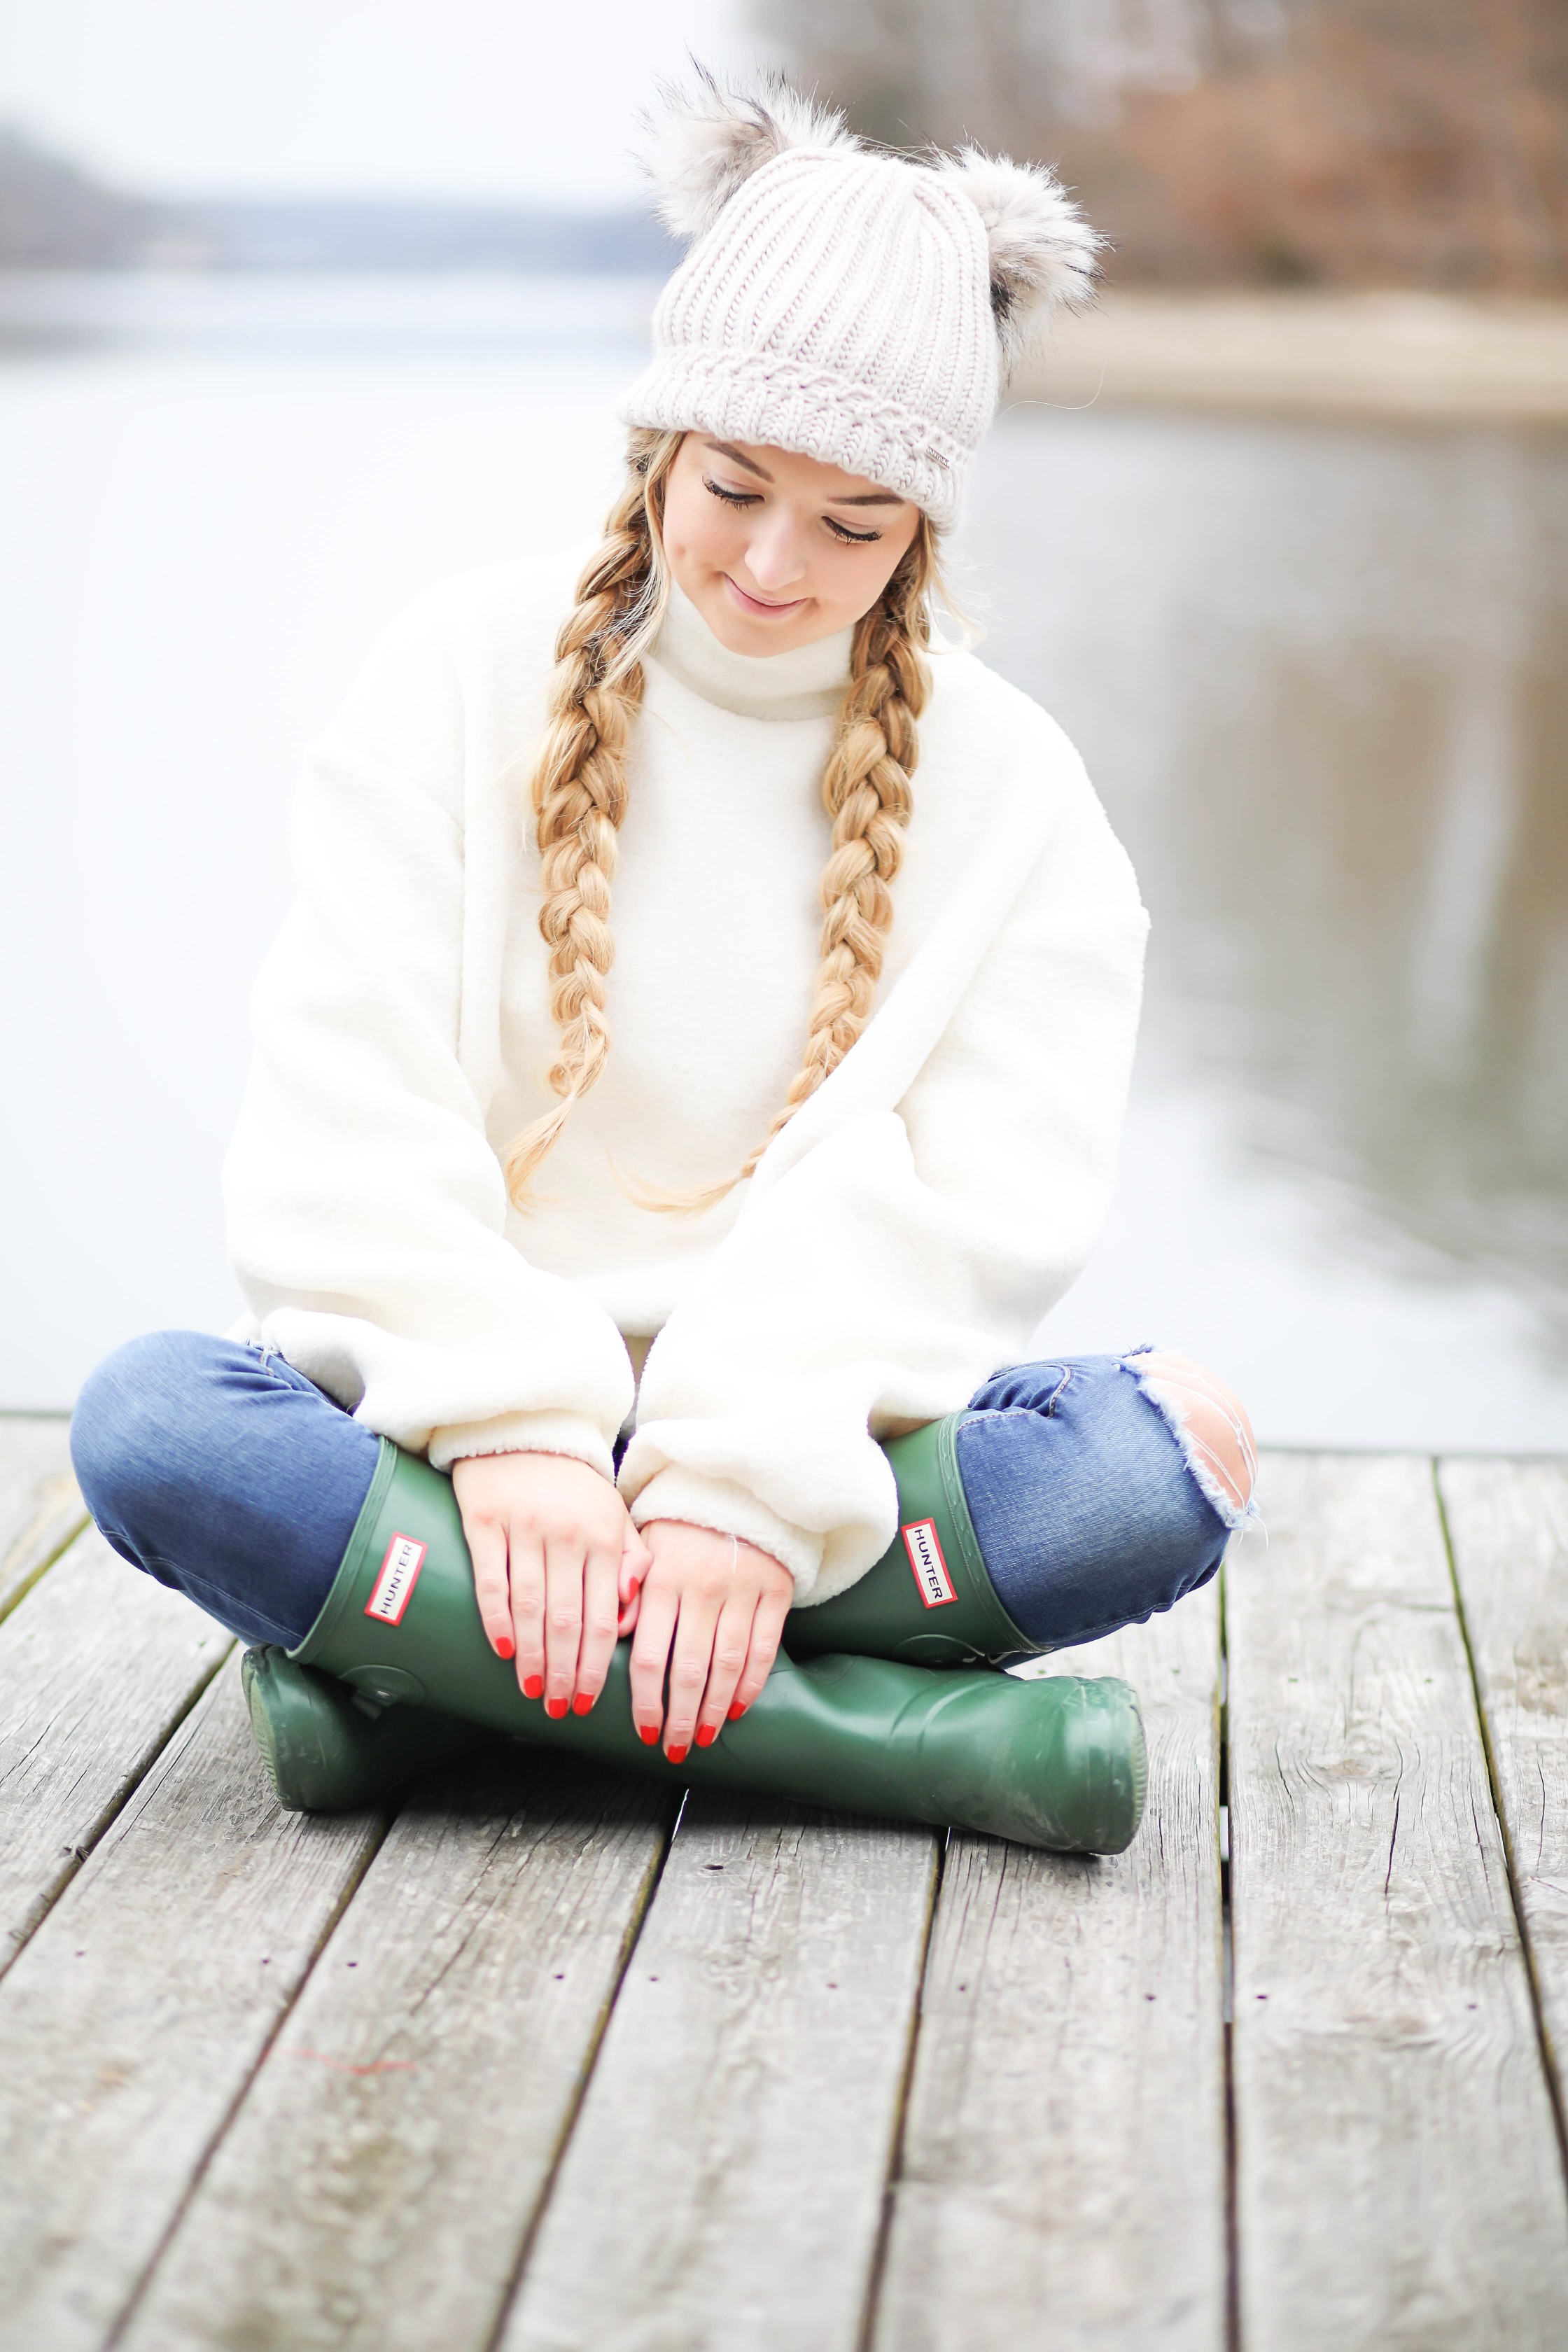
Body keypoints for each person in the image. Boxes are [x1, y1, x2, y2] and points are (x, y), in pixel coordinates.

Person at [70, 74, 1255, 1854]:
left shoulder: (1019, 801)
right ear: (659, 447)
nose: (776, 567)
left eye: (856, 525)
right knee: (159, 1424)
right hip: (447, 1451)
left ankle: (425, 1690)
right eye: (737, 487)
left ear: (924, 528)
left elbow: (970, 1216)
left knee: (1163, 1463)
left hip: (801, 1454)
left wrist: (739, 1491)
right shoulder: (456, 671)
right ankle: (888, 1743)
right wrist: (521, 1429)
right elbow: (345, 1111)